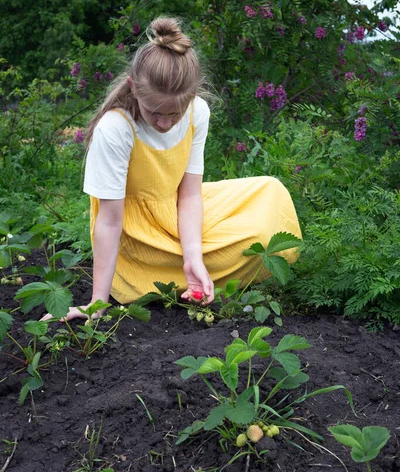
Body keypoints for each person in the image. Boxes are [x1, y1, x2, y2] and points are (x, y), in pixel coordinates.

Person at [44, 17, 301, 322]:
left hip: (180, 211)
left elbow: (190, 194)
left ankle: (194, 268)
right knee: (251, 248)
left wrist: (193, 257)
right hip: (140, 237)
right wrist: (97, 304)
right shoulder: (115, 128)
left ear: (191, 97)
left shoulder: (197, 113)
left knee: (269, 197)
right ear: (133, 88)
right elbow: (109, 222)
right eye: (155, 113)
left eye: (174, 114)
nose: (165, 123)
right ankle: (184, 270)